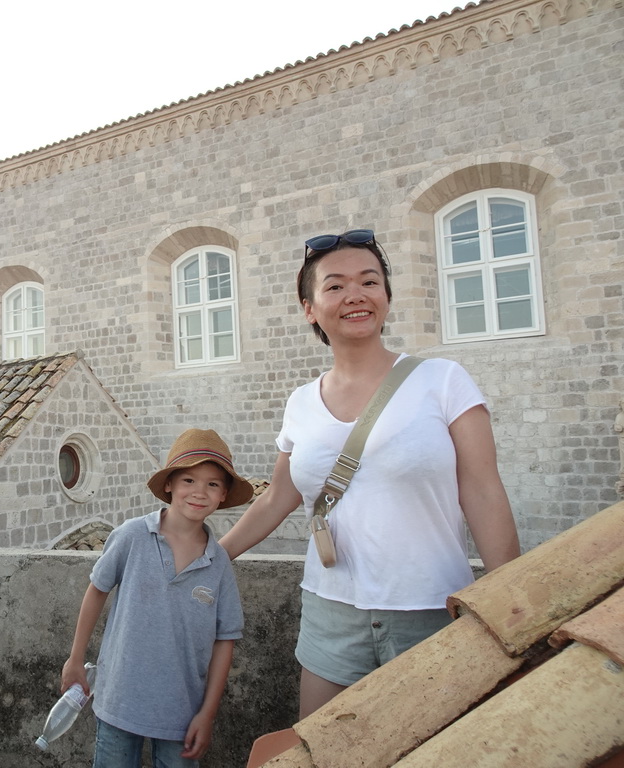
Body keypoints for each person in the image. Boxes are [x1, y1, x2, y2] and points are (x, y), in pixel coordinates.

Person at [219, 228, 520, 719]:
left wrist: (511, 598)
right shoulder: (300, 402)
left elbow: (483, 492)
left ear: (385, 297)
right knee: (326, 746)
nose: (354, 295)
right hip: (330, 609)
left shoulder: (443, 381)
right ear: (310, 308)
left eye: (369, 281)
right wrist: (215, 555)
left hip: (431, 608)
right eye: (334, 286)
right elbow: (279, 496)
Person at [61, 428, 254, 767]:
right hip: (118, 699)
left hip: (182, 711)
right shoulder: (132, 535)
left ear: (223, 494)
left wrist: (207, 714)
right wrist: (75, 659)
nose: (199, 492)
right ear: (169, 485)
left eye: (212, 484)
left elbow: (225, 640)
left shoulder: (218, 562)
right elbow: (97, 590)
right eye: (189, 480)